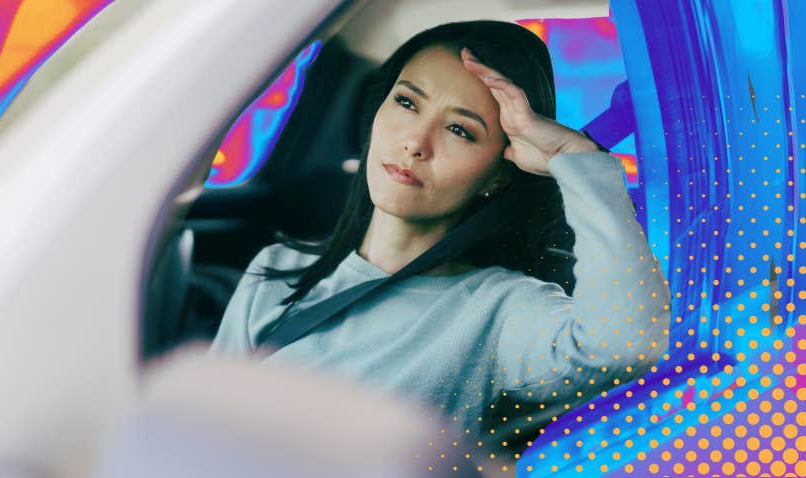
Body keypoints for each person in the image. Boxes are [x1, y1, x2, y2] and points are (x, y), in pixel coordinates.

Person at [210, 20, 671, 468]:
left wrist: (572, 159)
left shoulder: (497, 312)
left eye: (460, 130)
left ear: (495, 174)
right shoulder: (277, 270)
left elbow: (625, 345)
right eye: (408, 103)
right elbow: (199, 429)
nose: (416, 142)